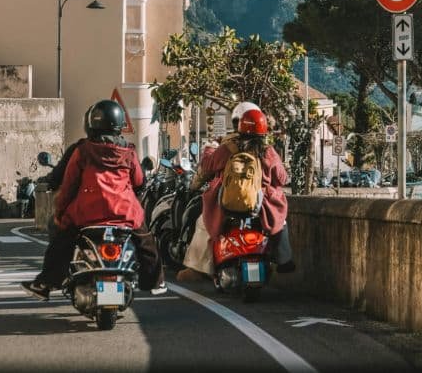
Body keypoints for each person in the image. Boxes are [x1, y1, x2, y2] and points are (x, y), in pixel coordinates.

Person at [21, 99, 166, 300]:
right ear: (119, 123)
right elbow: (139, 181)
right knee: (146, 241)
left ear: (90, 124)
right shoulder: (129, 152)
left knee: (61, 242)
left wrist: (61, 212)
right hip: (124, 212)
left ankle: (46, 283)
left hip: (87, 213)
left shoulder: (82, 151)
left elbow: (69, 185)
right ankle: (155, 282)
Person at [178, 107, 295, 282]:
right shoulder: (267, 151)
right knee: (281, 222)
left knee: (203, 224)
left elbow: (208, 166)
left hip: (226, 204)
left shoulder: (229, 147)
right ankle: (284, 261)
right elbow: (282, 178)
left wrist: (209, 151)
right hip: (260, 205)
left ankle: (199, 269)